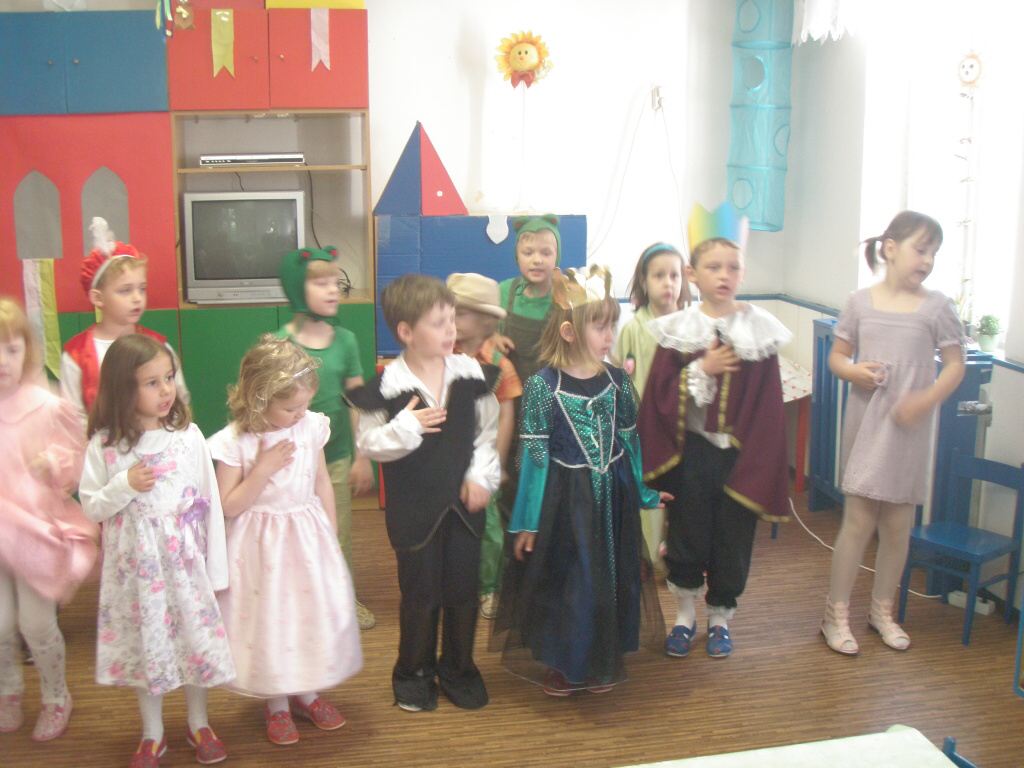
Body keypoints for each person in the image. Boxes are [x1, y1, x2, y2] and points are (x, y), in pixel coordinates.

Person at [492, 265, 666, 696]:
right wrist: (527, 520)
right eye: (599, 326)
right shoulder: (543, 386)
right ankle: (565, 663)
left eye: (612, 325)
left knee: (609, 580)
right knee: (571, 583)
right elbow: (533, 457)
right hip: (565, 505)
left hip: (612, 502)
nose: (609, 335)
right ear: (569, 332)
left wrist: (643, 492)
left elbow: (630, 440)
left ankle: (602, 657)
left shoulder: (618, 382)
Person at [638, 201, 791, 660]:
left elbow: (768, 407)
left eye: (733, 267)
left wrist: (760, 461)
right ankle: (685, 616)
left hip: (741, 459)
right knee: (687, 536)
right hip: (694, 455)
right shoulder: (680, 329)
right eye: (713, 266)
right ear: (693, 273)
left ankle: (720, 618)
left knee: (732, 541)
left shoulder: (759, 330)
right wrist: (700, 369)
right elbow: (659, 395)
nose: (724, 275)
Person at [78, 334, 233, 768]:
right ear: (122, 389)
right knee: (149, 648)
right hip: (136, 576)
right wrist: (124, 485)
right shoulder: (106, 446)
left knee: (194, 642)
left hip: (184, 567)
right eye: (152, 383)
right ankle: (152, 732)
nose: (166, 390)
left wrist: (215, 570)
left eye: (168, 378)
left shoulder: (188, 437)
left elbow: (208, 503)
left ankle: (199, 722)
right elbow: (91, 506)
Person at [348, 275, 500, 713]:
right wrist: (406, 427)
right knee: (420, 595)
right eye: (439, 323)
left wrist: (480, 476)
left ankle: (459, 669)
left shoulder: (471, 376)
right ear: (406, 332)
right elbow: (369, 443)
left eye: (453, 319)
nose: (451, 329)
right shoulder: (387, 388)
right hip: (414, 512)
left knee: (463, 592)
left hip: (464, 508)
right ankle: (413, 673)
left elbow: (485, 436)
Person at [821, 211, 965, 655]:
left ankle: (881, 612)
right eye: (921, 249)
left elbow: (955, 365)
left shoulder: (937, 307)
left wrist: (925, 400)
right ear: (889, 248)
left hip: (909, 427)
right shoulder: (859, 303)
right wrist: (853, 372)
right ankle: (834, 615)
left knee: (898, 525)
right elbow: (837, 357)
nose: (928, 260)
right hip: (867, 421)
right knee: (858, 521)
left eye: (934, 253)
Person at [208, 336, 362, 745]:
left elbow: (321, 481)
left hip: (306, 539)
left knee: (306, 616)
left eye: (305, 405)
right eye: (291, 407)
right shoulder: (236, 441)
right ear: (259, 398)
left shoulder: (310, 427)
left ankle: (307, 693)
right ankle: (276, 703)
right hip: (260, 548)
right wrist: (262, 469)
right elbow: (228, 505)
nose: (300, 414)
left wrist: (331, 533)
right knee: (271, 621)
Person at [0, 298, 98, 742]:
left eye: (12, 349)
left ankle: (56, 695)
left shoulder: (42, 404)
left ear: (27, 350)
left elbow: (73, 457)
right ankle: (9, 689)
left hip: (32, 533)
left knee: (36, 624)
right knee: (1, 623)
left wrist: (52, 464)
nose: (3, 361)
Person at [275, 247, 376, 630]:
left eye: (336, 282)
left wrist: (362, 456)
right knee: (293, 534)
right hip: (291, 462)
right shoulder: (279, 344)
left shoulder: (345, 340)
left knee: (338, 532)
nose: (333, 290)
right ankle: (301, 600)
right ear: (298, 289)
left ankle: (343, 599)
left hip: (335, 458)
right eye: (321, 283)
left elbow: (357, 401)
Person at [446, 273, 523, 620]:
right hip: (447, 456)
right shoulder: (440, 354)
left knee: (489, 525)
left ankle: (489, 586)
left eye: (461, 313)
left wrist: (499, 461)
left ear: (486, 320)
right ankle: (454, 581)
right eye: (449, 312)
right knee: (450, 521)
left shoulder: (498, 364)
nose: (452, 320)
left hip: (483, 456)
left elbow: (507, 415)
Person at [60, 217, 188, 422]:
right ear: (98, 298)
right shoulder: (77, 355)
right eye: (125, 290)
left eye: (142, 289)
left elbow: (179, 402)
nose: (137, 298)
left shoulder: (158, 346)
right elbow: (73, 419)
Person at [611, 242, 690, 575]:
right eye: (659, 275)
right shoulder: (633, 327)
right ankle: (650, 555)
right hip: (645, 428)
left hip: (682, 427)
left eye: (674, 275)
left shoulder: (691, 325)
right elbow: (621, 376)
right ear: (644, 281)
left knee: (681, 492)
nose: (668, 283)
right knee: (649, 490)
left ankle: (678, 552)